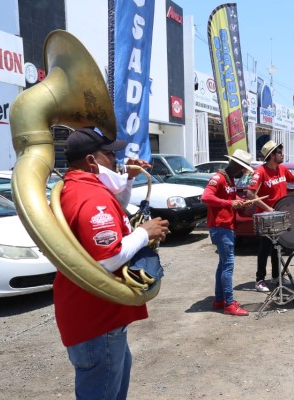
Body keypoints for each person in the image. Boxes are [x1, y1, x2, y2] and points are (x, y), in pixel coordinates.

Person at [55, 127, 170, 399]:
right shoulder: (90, 196)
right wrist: (145, 233)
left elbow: (113, 208)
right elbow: (107, 257)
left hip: (93, 316)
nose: (115, 159)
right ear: (92, 161)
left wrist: (127, 179)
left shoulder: (81, 187)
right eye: (109, 154)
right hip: (98, 318)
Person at [247, 140, 294, 292]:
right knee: (265, 248)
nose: (282, 155)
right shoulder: (260, 172)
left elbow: (291, 179)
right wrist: (267, 208)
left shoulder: (282, 169)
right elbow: (250, 193)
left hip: (281, 214)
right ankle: (260, 280)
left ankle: (276, 276)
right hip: (267, 216)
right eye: (279, 152)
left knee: (278, 248)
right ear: (271, 155)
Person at [200, 149, 255, 316]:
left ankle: (219, 299)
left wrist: (240, 202)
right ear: (237, 166)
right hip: (220, 227)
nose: (243, 173)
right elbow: (206, 198)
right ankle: (229, 303)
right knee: (228, 265)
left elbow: (229, 199)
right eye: (243, 169)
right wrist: (229, 203)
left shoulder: (229, 180)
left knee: (223, 264)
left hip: (226, 227)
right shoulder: (219, 178)